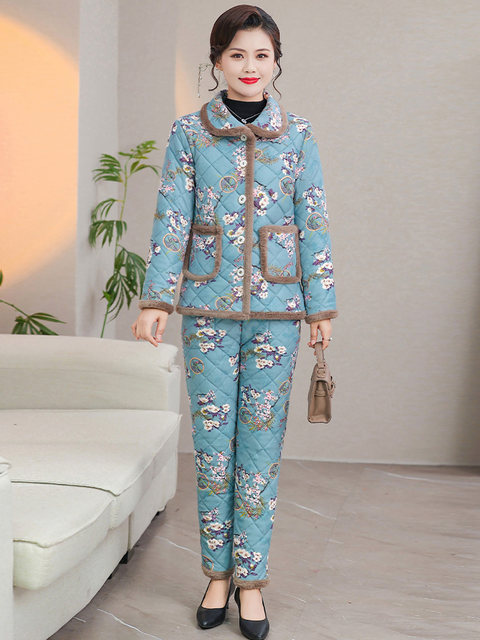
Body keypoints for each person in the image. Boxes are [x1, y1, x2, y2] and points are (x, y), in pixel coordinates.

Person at [131, 5, 338, 638]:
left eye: (262, 56)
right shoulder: (189, 133)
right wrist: (156, 300)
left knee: (260, 452)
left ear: (277, 62)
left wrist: (321, 306)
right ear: (217, 61)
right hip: (206, 312)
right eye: (237, 55)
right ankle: (216, 576)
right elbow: (171, 216)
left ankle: (251, 583)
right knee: (214, 451)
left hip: (279, 313)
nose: (250, 67)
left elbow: (313, 220)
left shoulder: (298, 134)